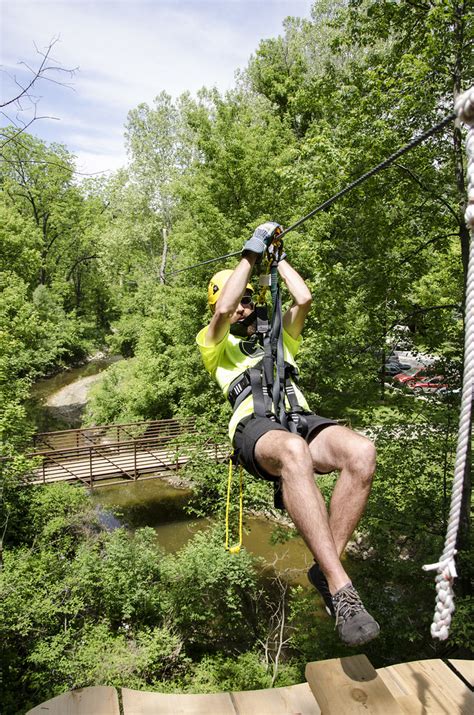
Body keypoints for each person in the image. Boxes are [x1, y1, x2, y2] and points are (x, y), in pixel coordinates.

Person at [196, 222, 380, 646]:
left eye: (246, 300)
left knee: (362, 452)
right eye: (235, 301)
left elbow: (304, 298)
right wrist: (251, 253)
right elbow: (222, 312)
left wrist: (278, 261)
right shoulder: (214, 346)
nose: (241, 308)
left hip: (298, 419)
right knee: (294, 451)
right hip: (256, 429)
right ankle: (341, 588)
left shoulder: (279, 338)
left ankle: (323, 566)